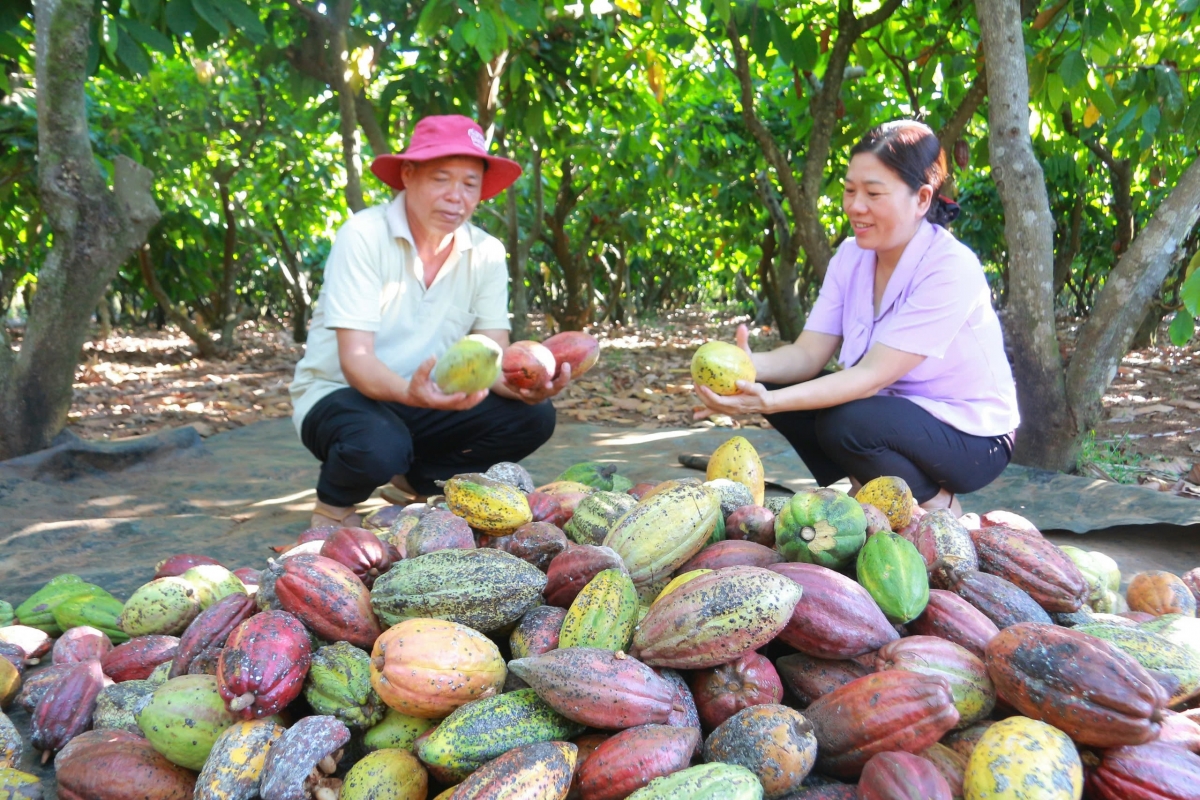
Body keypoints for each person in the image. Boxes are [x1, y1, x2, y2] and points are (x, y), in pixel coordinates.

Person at [696, 120, 1019, 515]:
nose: (854, 205)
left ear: (921, 199)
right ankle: (867, 485)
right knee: (784, 386)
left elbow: (871, 377)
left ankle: (937, 505)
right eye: (850, 190)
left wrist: (771, 402)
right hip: (890, 413)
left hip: (972, 439)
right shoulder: (851, 255)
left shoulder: (950, 268)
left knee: (845, 421)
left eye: (873, 193)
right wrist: (747, 370)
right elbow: (808, 354)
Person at [290, 115, 569, 529]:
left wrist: (527, 385)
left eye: (470, 184)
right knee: (378, 445)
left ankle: (421, 482)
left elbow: (492, 358)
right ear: (408, 174)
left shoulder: (486, 252)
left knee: (535, 417)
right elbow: (357, 360)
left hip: (429, 398)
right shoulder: (364, 234)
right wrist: (410, 393)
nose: (456, 196)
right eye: (441, 178)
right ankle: (331, 509)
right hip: (341, 394)